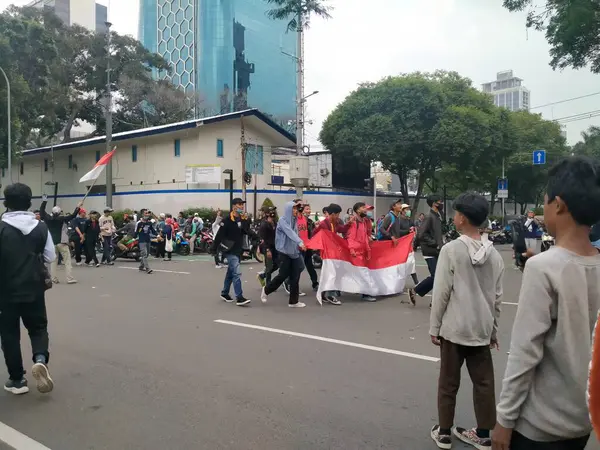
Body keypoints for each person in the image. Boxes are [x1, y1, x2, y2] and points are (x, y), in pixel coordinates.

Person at [493, 156, 600, 450]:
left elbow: (525, 352)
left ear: (559, 204)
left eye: (545, 202)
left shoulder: (544, 267)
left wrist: (504, 419)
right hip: (582, 420)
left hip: (539, 426)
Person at [429, 192, 504, 450]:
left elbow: (441, 293)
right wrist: (493, 331)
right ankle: (484, 434)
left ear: (461, 218)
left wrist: (434, 327)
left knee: (448, 383)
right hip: (481, 329)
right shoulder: (495, 256)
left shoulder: (451, 250)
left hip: (454, 328)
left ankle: (445, 433)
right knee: (484, 383)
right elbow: (497, 299)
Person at [0, 183, 56, 395]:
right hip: (34, 288)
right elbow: (50, 256)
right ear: (29, 202)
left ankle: (17, 380)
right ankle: (40, 359)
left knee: (9, 334)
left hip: (5, 292)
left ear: (6, 203)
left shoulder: (1, 228)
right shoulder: (41, 227)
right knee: (38, 328)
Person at [260, 200, 307, 307]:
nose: (296, 210)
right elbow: (289, 232)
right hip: (284, 252)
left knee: (296, 276)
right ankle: (266, 290)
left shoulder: (295, 220)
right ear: (289, 209)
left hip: (294, 252)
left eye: (296, 208)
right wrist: (300, 242)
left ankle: (293, 301)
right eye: (294, 208)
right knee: (282, 275)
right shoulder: (282, 220)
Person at [212, 198, 252, 306]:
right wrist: (214, 248)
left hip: (238, 249)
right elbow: (219, 235)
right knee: (237, 273)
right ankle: (239, 297)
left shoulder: (241, 219)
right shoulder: (227, 220)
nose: (242, 207)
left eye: (242, 205)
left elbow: (246, 231)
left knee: (231, 272)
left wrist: (246, 221)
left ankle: (225, 293)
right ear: (234, 206)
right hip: (229, 250)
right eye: (240, 204)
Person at [379, 201, 419, 304]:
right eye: (398, 204)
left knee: (394, 266)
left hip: (394, 244)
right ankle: (385, 287)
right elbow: (381, 228)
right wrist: (391, 236)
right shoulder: (390, 216)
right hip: (387, 244)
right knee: (387, 266)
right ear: (393, 207)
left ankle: (392, 287)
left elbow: (398, 232)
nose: (400, 206)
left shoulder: (396, 217)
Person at [312, 203, 351, 305]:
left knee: (329, 273)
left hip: (333, 252)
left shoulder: (335, 223)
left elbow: (342, 229)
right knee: (332, 273)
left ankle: (325, 294)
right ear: (332, 214)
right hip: (327, 253)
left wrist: (349, 224)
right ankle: (330, 294)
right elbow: (314, 234)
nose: (338, 216)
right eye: (337, 214)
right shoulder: (323, 224)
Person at [40, 201, 81, 284]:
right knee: (67, 260)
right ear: (59, 213)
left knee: (53, 261)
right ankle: (69, 278)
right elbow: (73, 215)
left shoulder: (47, 218)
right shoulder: (61, 219)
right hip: (62, 242)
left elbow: (42, 211)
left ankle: (54, 278)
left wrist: (44, 201)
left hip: (52, 243)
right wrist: (78, 207)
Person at [414, 194, 444, 305]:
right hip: (430, 251)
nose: (442, 203)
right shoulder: (429, 216)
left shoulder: (437, 216)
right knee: (436, 276)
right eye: (440, 201)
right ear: (434, 203)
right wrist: (435, 244)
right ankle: (418, 292)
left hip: (437, 251)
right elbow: (421, 234)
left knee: (439, 276)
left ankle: (417, 291)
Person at [346, 202, 376, 302]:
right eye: (363, 208)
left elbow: (364, 238)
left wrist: (367, 249)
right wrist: (352, 249)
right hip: (356, 252)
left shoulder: (363, 221)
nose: (366, 210)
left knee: (357, 272)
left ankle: (337, 289)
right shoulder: (354, 222)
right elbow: (350, 237)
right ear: (357, 210)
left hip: (362, 251)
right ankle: (365, 294)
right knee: (364, 273)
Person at [257, 207, 278, 286]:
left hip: (275, 247)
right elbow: (263, 239)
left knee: (277, 264)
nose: (273, 213)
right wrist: (267, 250)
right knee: (269, 266)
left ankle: (262, 276)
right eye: (271, 212)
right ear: (267, 214)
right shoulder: (264, 224)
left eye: (274, 211)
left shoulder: (275, 223)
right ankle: (268, 284)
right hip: (267, 247)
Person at [135, 210, 155, 274]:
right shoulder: (139, 223)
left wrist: (158, 236)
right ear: (142, 215)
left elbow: (153, 230)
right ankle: (147, 268)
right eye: (146, 213)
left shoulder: (149, 222)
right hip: (141, 240)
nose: (147, 214)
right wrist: (134, 237)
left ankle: (141, 266)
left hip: (148, 240)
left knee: (147, 254)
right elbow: (136, 232)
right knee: (144, 254)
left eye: (148, 213)